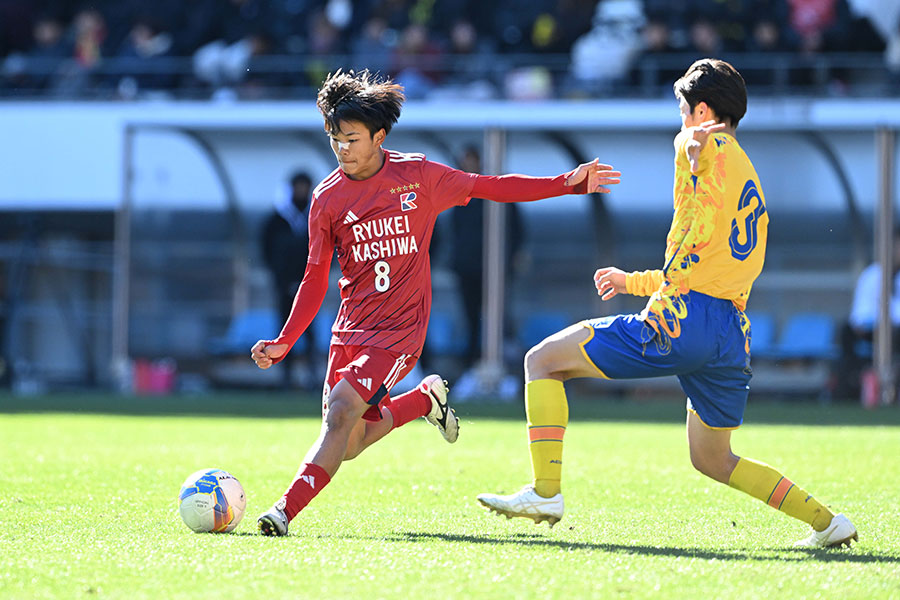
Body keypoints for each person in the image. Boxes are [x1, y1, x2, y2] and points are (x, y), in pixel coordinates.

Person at [476, 59, 858, 549]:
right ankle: (827, 523)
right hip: (729, 331)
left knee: (542, 360)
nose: (680, 123)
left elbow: (694, 147)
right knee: (712, 459)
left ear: (702, 110)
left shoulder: (706, 144)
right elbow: (698, 269)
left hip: (684, 321)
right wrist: (631, 282)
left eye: (683, 111)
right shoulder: (749, 180)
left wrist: (692, 143)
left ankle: (546, 492)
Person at [250, 68, 621, 536]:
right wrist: (285, 340)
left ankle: (282, 512)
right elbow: (314, 276)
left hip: (400, 331)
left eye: (351, 138)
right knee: (349, 441)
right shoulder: (326, 198)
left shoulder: (419, 177)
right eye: (334, 139)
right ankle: (424, 400)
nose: (342, 148)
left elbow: (493, 185)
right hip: (350, 328)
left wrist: (568, 182)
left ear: (378, 136)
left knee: (341, 413)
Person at [260, 171, 317, 388]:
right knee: (284, 328)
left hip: (309, 283)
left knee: (309, 330)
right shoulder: (278, 219)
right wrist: (280, 277)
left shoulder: (315, 215)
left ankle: (311, 375)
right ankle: (286, 376)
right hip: (283, 285)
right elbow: (267, 250)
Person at [831, 227, 900, 401]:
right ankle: (849, 388)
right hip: (872, 330)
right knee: (845, 332)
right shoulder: (873, 274)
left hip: (895, 330)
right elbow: (861, 314)